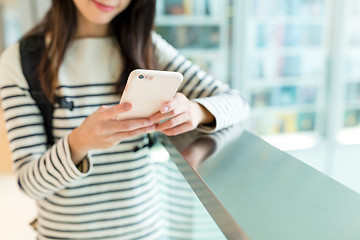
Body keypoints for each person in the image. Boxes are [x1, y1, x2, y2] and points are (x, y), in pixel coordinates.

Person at [0, 0, 249, 239]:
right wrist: (79, 143)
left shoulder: (146, 46)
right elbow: (28, 183)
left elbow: (238, 102)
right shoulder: (21, 61)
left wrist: (195, 112)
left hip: (145, 231)